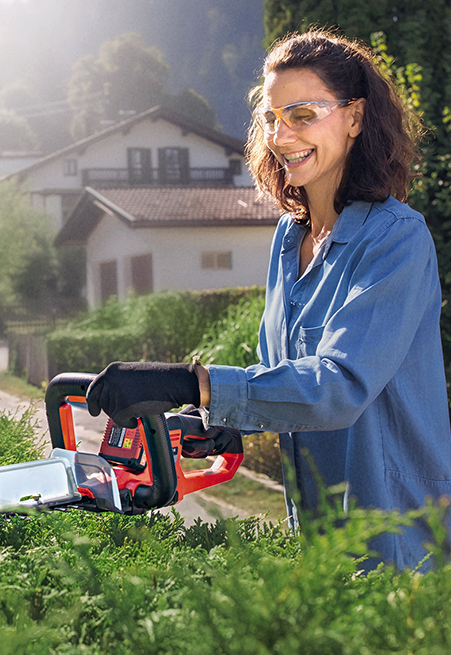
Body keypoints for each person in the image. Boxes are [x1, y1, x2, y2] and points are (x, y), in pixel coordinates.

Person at [86, 29, 451, 571]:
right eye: (273, 118)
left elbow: (337, 386)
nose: (282, 137)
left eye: (303, 115)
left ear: (354, 118)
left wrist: (189, 382)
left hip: (398, 543)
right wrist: (222, 422)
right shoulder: (288, 238)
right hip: (320, 541)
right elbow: (280, 373)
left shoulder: (397, 238)